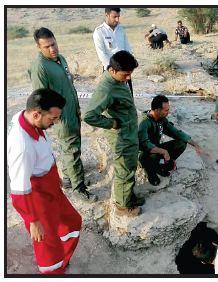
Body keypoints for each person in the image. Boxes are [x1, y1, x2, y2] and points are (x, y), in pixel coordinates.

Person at [7, 88, 82, 274]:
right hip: (38, 199)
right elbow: (18, 190)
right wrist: (33, 220)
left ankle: (62, 260)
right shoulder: (22, 146)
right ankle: (53, 272)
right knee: (47, 246)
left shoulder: (30, 120)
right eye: (52, 119)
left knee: (72, 221)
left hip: (51, 189)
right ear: (36, 114)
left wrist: (55, 179)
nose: (55, 123)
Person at [28, 27, 97, 202]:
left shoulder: (61, 59)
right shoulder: (40, 67)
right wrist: (55, 119)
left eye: (53, 44)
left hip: (73, 110)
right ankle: (78, 188)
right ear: (39, 47)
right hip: (61, 117)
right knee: (71, 150)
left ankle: (68, 178)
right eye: (47, 47)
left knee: (71, 147)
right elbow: (40, 96)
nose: (52, 49)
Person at [83, 50, 143, 217]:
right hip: (121, 136)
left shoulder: (117, 80)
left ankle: (128, 197)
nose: (129, 78)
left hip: (129, 132)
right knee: (124, 169)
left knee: (130, 166)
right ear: (113, 70)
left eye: (130, 74)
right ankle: (123, 207)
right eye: (126, 74)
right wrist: (111, 123)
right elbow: (89, 115)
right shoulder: (107, 88)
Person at [138, 95, 202, 186]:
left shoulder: (161, 120)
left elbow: (176, 132)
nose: (168, 112)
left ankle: (161, 167)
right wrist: (163, 151)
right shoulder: (144, 123)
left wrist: (195, 145)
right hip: (144, 154)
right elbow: (145, 144)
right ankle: (151, 172)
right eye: (166, 110)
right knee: (152, 156)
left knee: (181, 143)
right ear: (157, 110)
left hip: (156, 149)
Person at [93, 7, 134, 94]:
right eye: (114, 17)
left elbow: (128, 50)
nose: (117, 19)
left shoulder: (121, 29)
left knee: (126, 98)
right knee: (111, 100)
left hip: (124, 71)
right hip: (110, 71)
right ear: (107, 15)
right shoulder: (99, 31)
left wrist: (126, 69)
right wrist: (116, 70)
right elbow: (102, 55)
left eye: (118, 16)